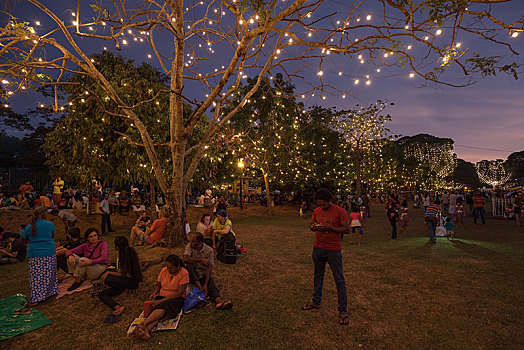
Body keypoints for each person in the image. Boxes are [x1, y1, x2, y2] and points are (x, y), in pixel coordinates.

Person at [302, 188, 350, 326]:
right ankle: (316, 301)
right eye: (320, 204)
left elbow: (346, 229)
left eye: (324, 204)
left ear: (330, 200)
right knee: (318, 275)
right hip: (318, 247)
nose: (322, 207)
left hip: (333, 250)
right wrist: (313, 226)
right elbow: (312, 224)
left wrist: (330, 228)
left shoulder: (340, 211)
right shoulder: (317, 211)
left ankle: (342, 310)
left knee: (339, 279)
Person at [134, 254, 189, 340]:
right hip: (161, 297)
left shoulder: (184, 273)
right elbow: (158, 284)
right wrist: (155, 293)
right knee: (160, 312)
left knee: (164, 307)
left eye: (171, 268)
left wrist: (160, 301)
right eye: (167, 267)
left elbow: (179, 293)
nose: (168, 269)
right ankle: (147, 330)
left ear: (178, 266)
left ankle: (144, 324)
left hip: (175, 298)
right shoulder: (164, 270)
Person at [96, 236, 143, 323]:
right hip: (127, 281)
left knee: (107, 278)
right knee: (102, 294)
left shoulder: (125, 256)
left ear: (117, 246)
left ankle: (124, 289)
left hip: (131, 282)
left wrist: (108, 273)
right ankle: (117, 307)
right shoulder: (126, 252)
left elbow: (123, 274)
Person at [183, 232, 233, 310]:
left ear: (200, 242)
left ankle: (219, 301)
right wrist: (200, 260)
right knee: (189, 266)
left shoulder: (209, 250)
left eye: (193, 241)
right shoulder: (190, 246)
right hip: (191, 274)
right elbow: (185, 259)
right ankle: (200, 288)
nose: (191, 242)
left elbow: (209, 269)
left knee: (210, 283)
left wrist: (205, 284)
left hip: (202, 274)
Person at [21, 206, 59, 307]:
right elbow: (52, 236)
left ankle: (37, 297)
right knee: (49, 274)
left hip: (34, 253)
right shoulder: (50, 224)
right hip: (49, 252)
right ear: (44, 214)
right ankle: (50, 292)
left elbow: (24, 238)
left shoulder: (29, 227)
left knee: (36, 276)